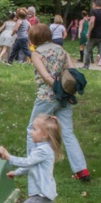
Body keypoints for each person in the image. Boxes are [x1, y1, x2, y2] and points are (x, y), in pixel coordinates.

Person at [27, 23, 91, 182]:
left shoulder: (37, 53)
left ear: (34, 38)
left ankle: (32, 166)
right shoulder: (61, 50)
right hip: (65, 97)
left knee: (32, 128)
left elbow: (46, 77)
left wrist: (56, 88)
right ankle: (81, 170)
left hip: (47, 96)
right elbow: (73, 71)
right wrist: (65, 89)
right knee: (67, 132)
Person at [83, 0, 101, 70]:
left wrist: (88, 32)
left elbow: (92, 22)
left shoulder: (93, 11)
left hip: (94, 35)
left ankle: (86, 65)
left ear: (95, 4)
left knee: (88, 50)